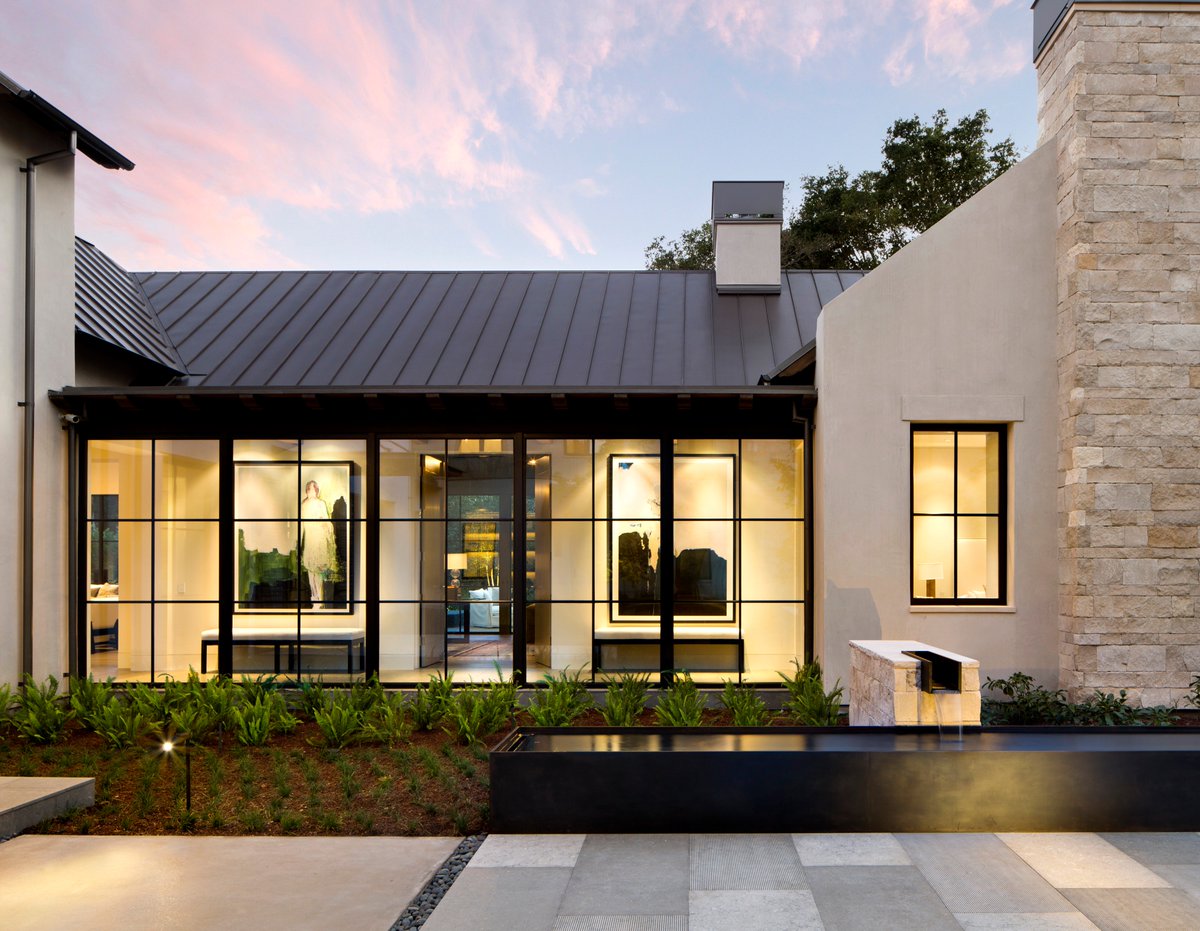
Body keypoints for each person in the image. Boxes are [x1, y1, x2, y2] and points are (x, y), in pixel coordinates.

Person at [300, 480, 337, 608]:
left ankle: (318, 598)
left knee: (317, 571)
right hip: (312, 540)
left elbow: (327, 523)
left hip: (317, 540)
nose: (312, 492)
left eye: (313, 489)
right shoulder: (305, 505)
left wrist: (324, 524)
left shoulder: (318, 504)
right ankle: (315, 597)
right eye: (310, 489)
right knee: (313, 570)